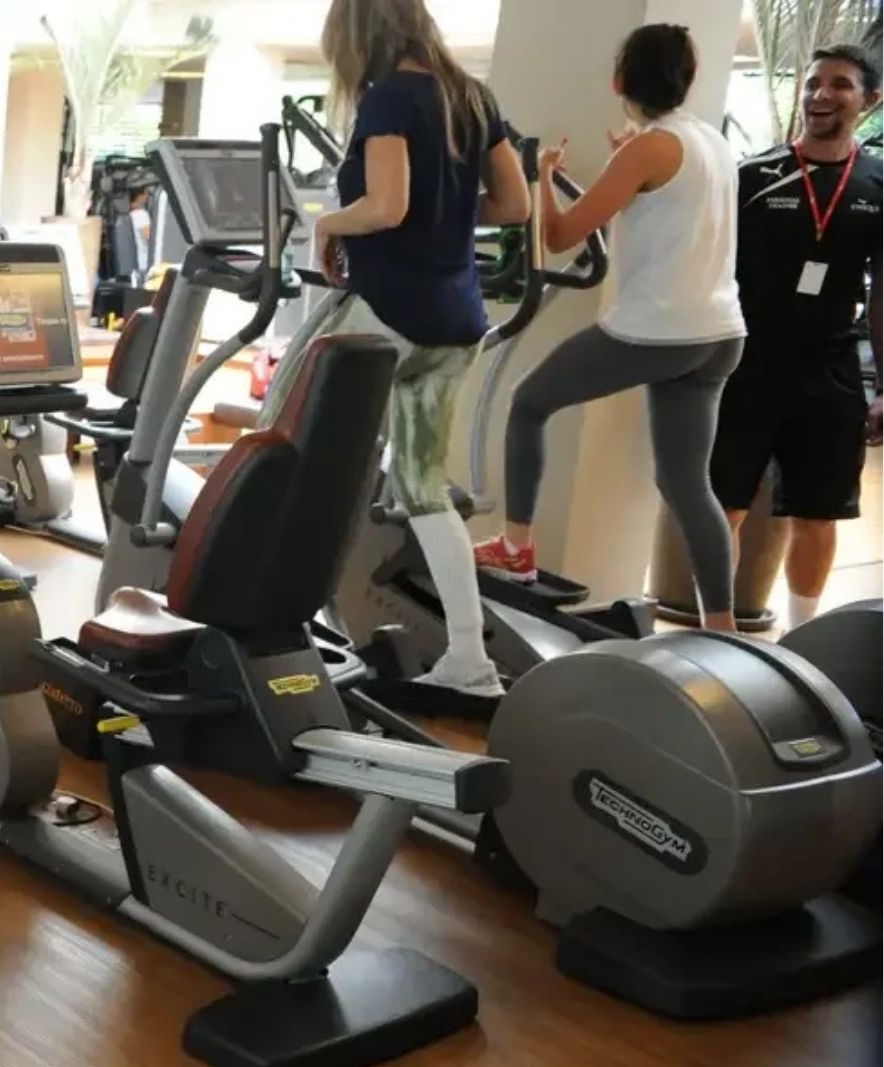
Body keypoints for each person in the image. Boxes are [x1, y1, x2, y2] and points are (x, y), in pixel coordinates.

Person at [474, 23, 746, 635]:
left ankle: (515, 549)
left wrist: (542, 173)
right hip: (720, 334)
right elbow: (671, 201)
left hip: (658, 332)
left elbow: (560, 235)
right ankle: (724, 630)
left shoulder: (646, 150)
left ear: (620, 80)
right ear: (687, 79)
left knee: (529, 401)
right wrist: (629, 156)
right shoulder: (709, 140)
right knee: (685, 482)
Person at [302, 0, 532, 698]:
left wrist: (325, 225)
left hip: (386, 318)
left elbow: (386, 206)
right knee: (421, 485)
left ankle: (272, 627)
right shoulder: (472, 96)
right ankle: (469, 658)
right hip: (455, 322)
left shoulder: (390, 98)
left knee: (285, 451)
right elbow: (515, 205)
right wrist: (450, 214)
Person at [708, 44, 882, 631]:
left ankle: (802, 639)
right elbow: (711, 270)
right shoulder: (752, 176)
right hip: (747, 360)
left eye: (840, 85)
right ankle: (716, 635)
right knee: (725, 506)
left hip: (831, 366)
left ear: (870, 100)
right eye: (812, 83)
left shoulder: (877, 184)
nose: (821, 95)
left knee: (819, 513)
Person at [127, 187, 153, 284]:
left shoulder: (130, 214)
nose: (147, 197)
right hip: (145, 263)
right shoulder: (141, 214)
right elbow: (150, 237)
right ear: (140, 196)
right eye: (146, 194)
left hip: (137, 263)